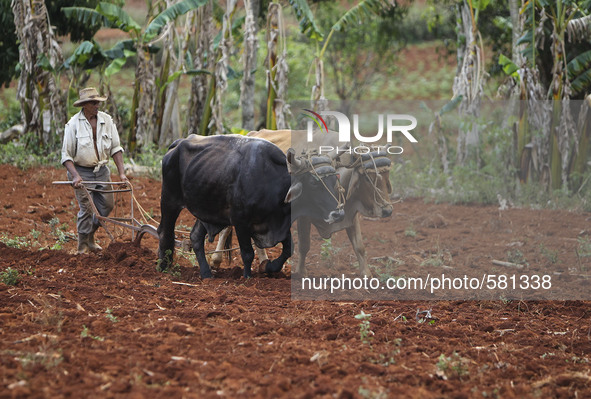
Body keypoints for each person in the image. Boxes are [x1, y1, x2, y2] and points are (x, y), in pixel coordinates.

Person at [60, 87, 129, 254]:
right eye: (94, 102)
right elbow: (66, 156)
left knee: (106, 206)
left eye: (98, 102)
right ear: (85, 105)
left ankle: (90, 234)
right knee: (87, 208)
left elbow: (116, 148)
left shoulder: (107, 121)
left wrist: (122, 173)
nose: (97, 105)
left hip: (102, 171)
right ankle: (82, 245)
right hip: (81, 172)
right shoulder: (73, 125)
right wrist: (75, 176)